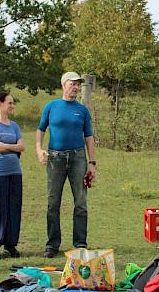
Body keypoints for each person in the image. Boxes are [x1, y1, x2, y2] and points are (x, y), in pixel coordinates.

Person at [36, 71, 97, 258]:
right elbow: (40, 130)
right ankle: (52, 244)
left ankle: (80, 243)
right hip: (56, 158)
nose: (76, 87)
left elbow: (89, 137)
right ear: (64, 85)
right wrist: (39, 149)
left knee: (81, 202)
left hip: (78, 158)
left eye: (78, 84)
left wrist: (92, 163)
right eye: (73, 84)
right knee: (53, 202)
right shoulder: (51, 106)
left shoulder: (83, 110)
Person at [0, 92, 25, 260]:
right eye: (10, 102)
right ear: (0, 104)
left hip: (15, 171)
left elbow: (22, 146)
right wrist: (13, 146)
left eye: (13, 103)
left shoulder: (14, 126)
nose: (12, 105)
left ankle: (10, 244)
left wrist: (7, 146)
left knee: (13, 208)